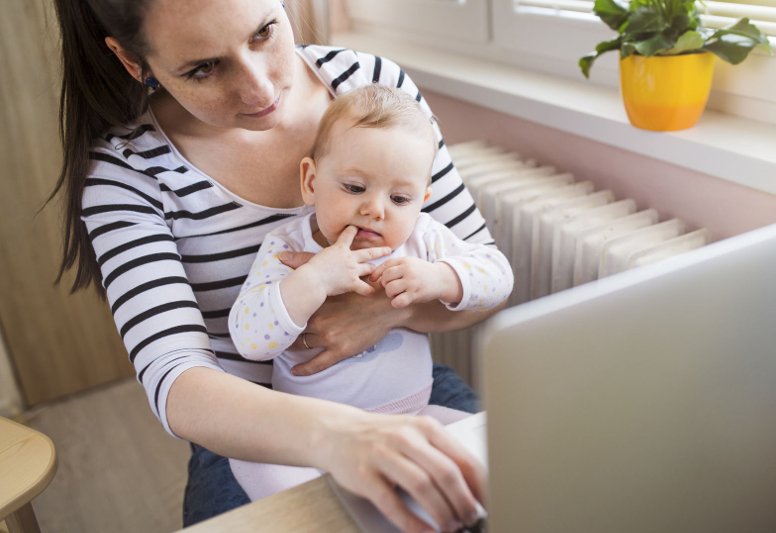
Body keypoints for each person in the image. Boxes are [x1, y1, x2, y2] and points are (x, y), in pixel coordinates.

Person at [52, 0, 505, 530]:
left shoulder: (374, 89)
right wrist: (339, 436)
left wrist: (389, 311)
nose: (261, 90)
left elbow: (485, 276)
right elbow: (176, 383)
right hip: (253, 431)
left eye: (265, 31)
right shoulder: (126, 174)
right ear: (134, 62)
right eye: (204, 67)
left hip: (409, 396)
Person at [227, 84, 513, 500]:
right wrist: (315, 279)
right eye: (355, 188)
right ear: (311, 181)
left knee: (486, 458)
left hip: (411, 418)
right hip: (312, 435)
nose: (375, 209)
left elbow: (499, 274)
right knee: (251, 461)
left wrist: (440, 277)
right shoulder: (288, 248)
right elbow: (250, 340)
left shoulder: (423, 239)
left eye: (399, 198)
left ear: (421, 202)